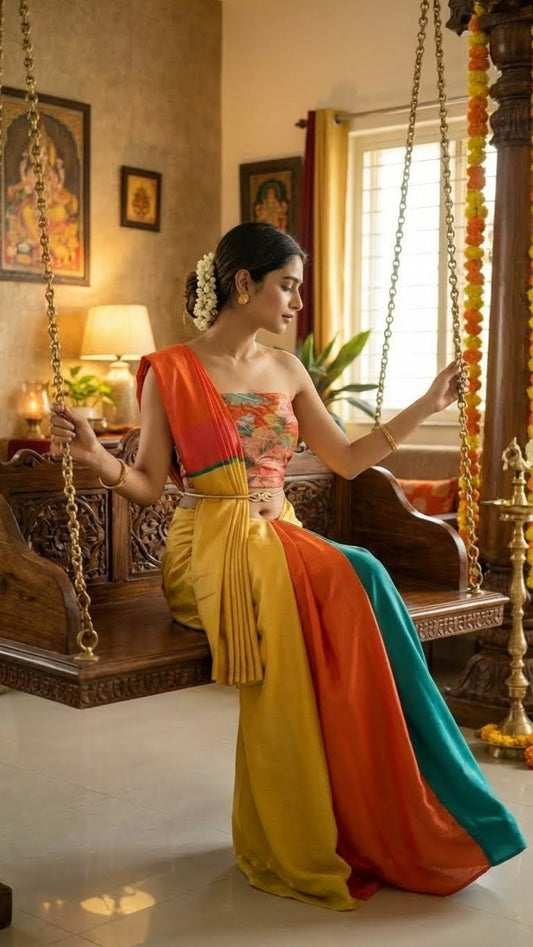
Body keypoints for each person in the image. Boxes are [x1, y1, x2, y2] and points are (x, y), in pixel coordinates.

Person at [50, 222, 525, 912]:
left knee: (362, 570)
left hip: (282, 534)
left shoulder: (287, 369)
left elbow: (347, 461)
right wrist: (96, 459)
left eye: (297, 287)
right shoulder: (171, 369)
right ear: (243, 284)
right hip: (209, 543)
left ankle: (384, 797)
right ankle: (292, 828)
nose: (297, 301)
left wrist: (428, 402)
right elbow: (150, 483)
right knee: (334, 572)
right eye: (287, 285)